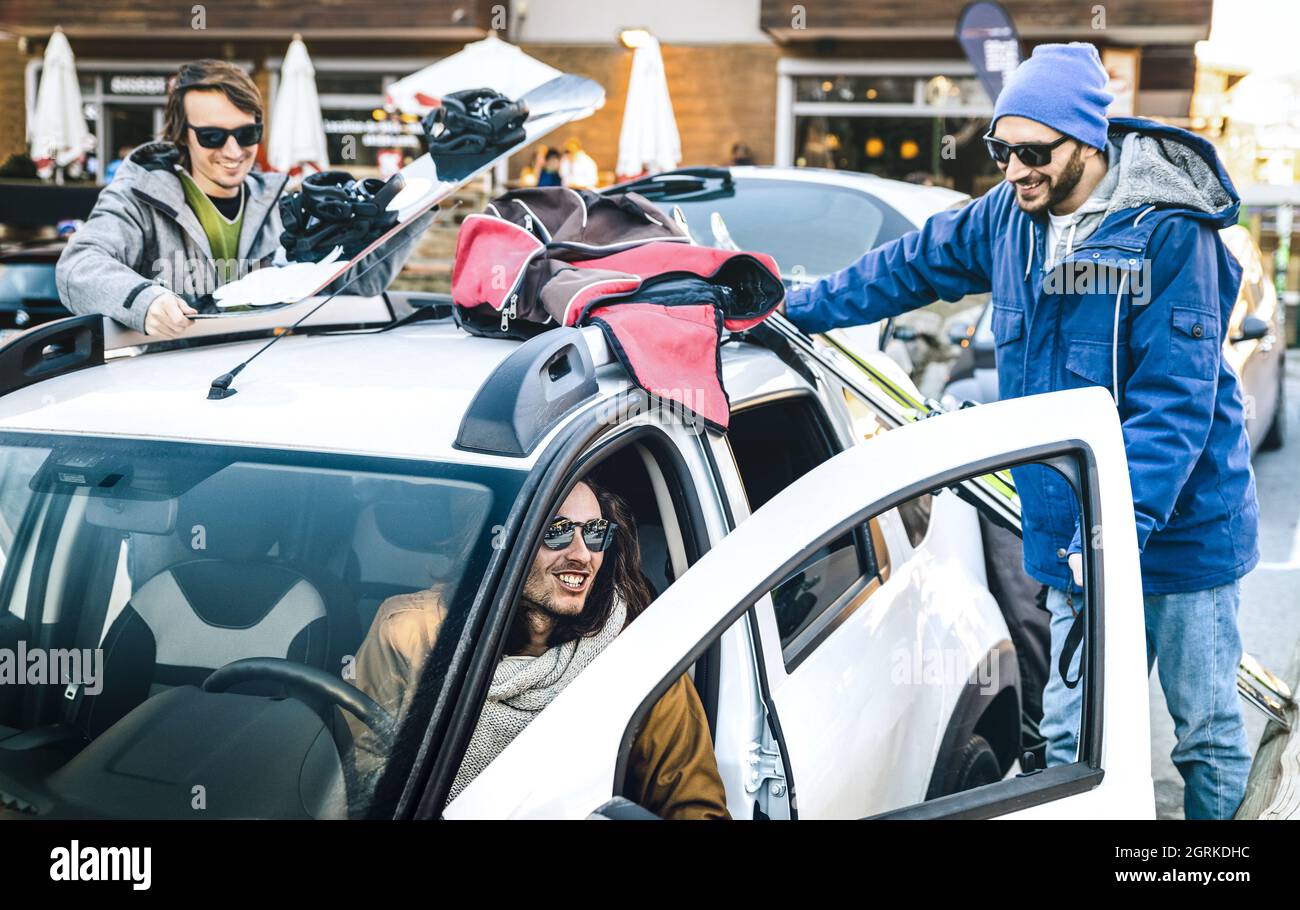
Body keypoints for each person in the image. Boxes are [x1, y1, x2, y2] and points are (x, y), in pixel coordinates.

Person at [780, 43, 1257, 820]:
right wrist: (792, 306)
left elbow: (1174, 404)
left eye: (1034, 153)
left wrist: (1116, 532)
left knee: (1204, 731)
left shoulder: (1170, 236)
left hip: (1182, 536)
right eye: (1001, 149)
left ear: (1088, 145)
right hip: (1074, 535)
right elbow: (908, 266)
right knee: (1073, 739)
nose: (1013, 170)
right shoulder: (1010, 218)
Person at [346, 478, 729, 820]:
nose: (582, 555)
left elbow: (695, 809)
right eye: (558, 531)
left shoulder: (634, 662)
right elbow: (357, 781)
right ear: (503, 541)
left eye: (595, 534)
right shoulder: (412, 631)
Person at [56, 59, 429, 340]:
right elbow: (78, 267)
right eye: (213, 137)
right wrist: (145, 301)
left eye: (248, 133)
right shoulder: (139, 198)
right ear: (182, 135)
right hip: (164, 394)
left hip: (252, 391)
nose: (234, 151)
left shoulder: (280, 204)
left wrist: (412, 208)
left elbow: (354, 285)